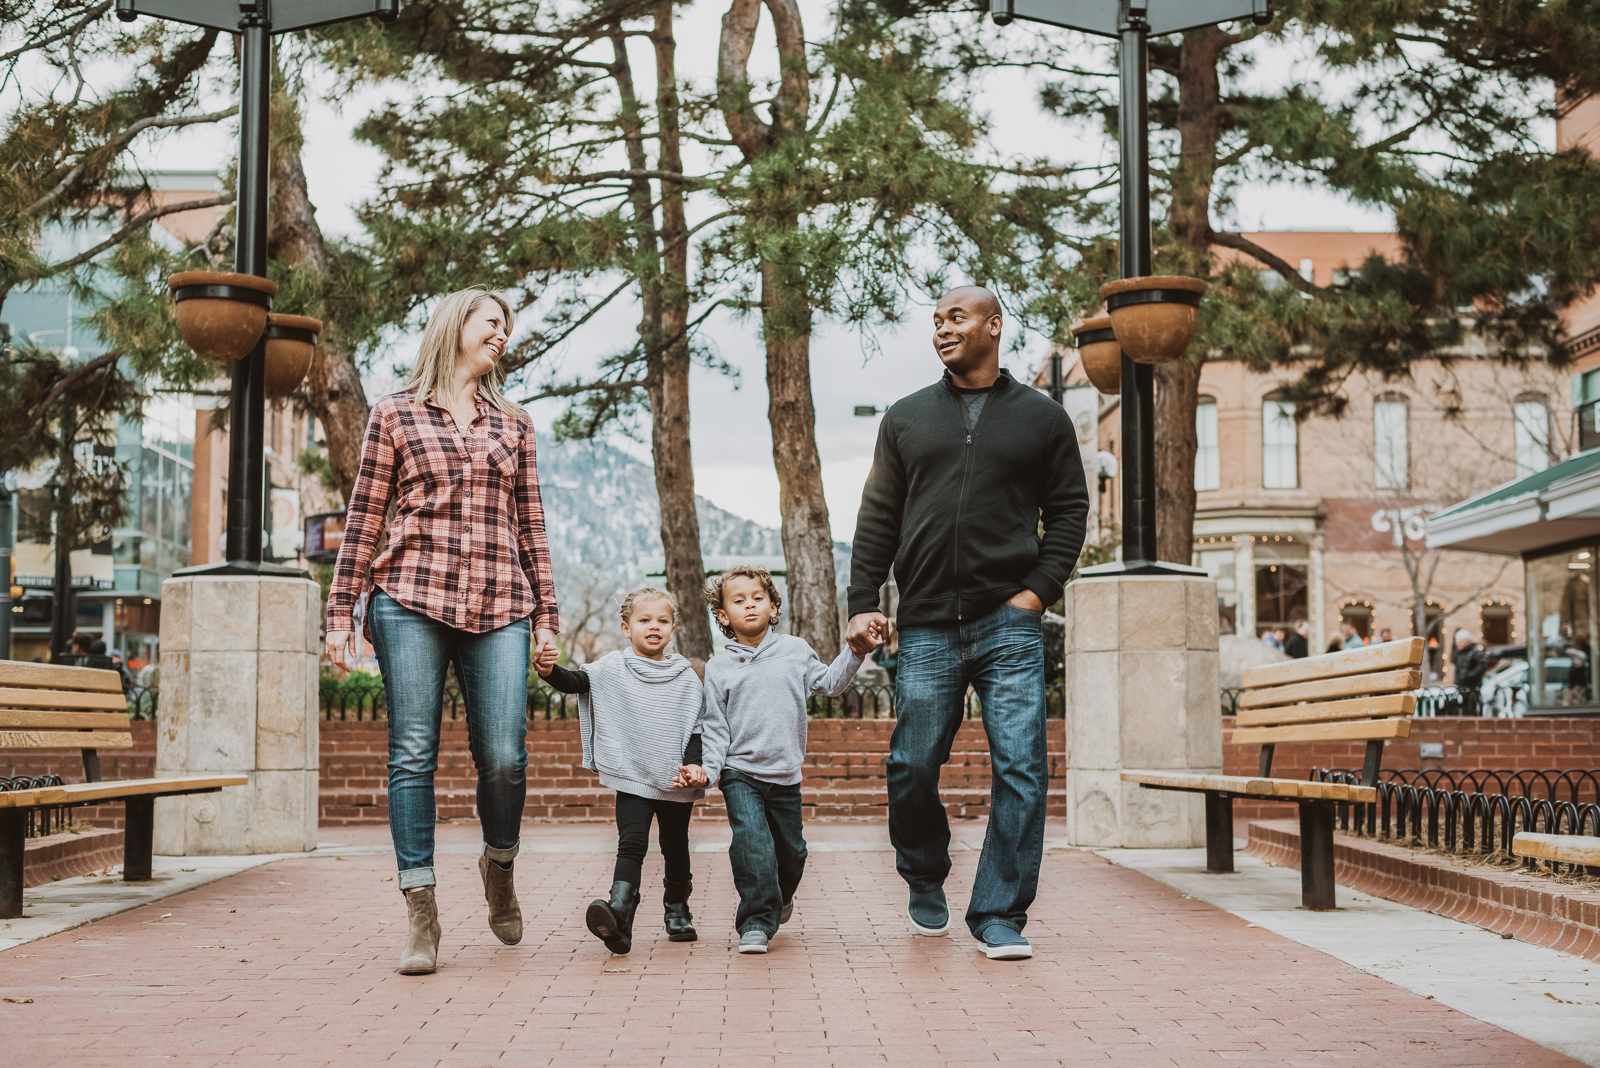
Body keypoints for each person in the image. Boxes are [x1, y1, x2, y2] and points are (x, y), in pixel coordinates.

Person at [844, 285, 1089, 961]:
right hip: (924, 622)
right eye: (936, 322)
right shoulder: (906, 418)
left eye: (956, 318)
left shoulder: (1041, 420)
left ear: (994, 325)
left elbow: (1069, 512)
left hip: (1007, 620)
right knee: (911, 764)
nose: (943, 330)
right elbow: (877, 520)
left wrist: (1036, 593)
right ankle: (925, 874)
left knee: (1021, 769)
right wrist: (863, 600)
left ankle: (1000, 913)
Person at [325, 286, 560, 977]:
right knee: (412, 753)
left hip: (500, 601)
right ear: (457, 325)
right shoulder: (394, 413)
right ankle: (421, 907)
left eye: (507, 329)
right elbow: (364, 516)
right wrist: (341, 612)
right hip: (409, 597)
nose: (502, 336)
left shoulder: (514, 424)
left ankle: (499, 861)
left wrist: (547, 616)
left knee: (505, 756)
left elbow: (532, 528)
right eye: (493, 323)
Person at [690, 565, 878, 954]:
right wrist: (710, 772)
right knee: (752, 843)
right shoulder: (719, 666)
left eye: (758, 598)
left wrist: (854, 652)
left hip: (786, 775)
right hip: (740, 772)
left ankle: (779, 894)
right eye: (738, 601)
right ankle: (756, 921)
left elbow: (829, 683)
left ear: (774, 607)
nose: (750, 605)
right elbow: (714, 727)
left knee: (792, 854)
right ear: (723, 616)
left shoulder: (795, 650)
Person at [534, 588, 708, 954]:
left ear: (673, 628)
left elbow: (694, 726)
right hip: (632, 774)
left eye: (662, 620)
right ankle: (619, 915)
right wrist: (549, 671)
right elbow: (577, 683)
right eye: (644, 620)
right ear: (626, 627)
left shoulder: (685, 677)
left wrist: (694, 766)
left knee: (675, 847)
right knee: (631, 844)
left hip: (675, 778)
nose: (653, 626)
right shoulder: (612, 667)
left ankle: (677, 909)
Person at [1452, 629, 1488, 714]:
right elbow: (1457, 670)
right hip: (1461, 687)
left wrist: (1469, 675)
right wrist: (1456, 681)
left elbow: (1482, 667)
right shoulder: (1459, 653)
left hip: (1473, 688)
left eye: (1459, 641)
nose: (1457, 643)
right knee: (1462, 709)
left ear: (1466, 641)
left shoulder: (1476, 653)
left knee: (1472, 710)